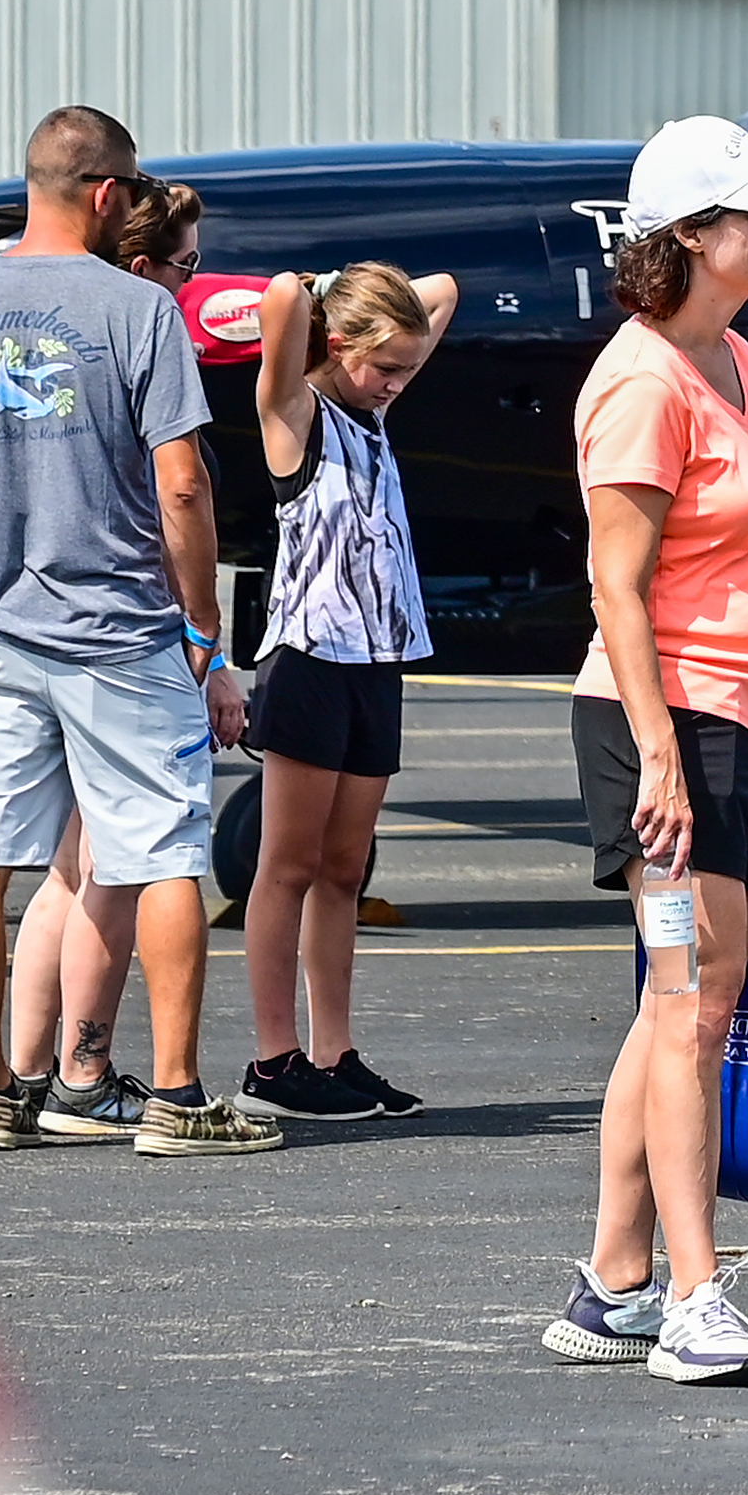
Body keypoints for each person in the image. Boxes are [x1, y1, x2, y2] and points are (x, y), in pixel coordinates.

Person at [0, 107, 273, 1160]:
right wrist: (200, 620)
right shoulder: (138, 310)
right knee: (161, 855)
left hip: (3, 632)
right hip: (119, 629)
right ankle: (172, 1093)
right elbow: (184, 484)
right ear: (108, 194)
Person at [551, 115, 748, 1384]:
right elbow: (617, 585)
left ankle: (612, 1280)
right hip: (669, 724)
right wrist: (659, 758)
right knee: (687, 1009)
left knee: (690, 1005)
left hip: (747, 723)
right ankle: (694, 1298)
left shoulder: (733, 359)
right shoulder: (641, 380)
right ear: (686, 242)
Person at [235, 258, 459, 1127]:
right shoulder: (298, 412)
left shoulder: (374, 406)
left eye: (408, 368)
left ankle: (334, 1050)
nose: (399, 383)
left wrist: (385, 342)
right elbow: (282, 298)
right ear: (339, 345)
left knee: (343, 867)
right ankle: (273, 1056)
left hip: (377, 659)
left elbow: (441, 290)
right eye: (385, 368)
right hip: (308, 658)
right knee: (287, 865)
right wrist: (324, 288)